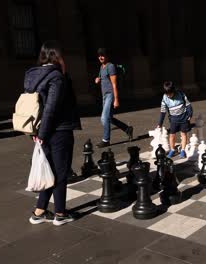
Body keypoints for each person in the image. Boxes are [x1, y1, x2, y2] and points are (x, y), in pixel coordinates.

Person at [25, 40, 82, 226]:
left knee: (49, 171)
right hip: (58, 130)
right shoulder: (56, 77)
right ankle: (60, 213)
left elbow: (31, 107)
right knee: (60, 172)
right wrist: (42, 134)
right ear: (56, 56)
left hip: (41, 130)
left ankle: (39, 211)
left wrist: (36, 132)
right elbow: (51, 108)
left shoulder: (33, 75)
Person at [94, 48, 133, 148]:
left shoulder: (110, 66)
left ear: (106, 56)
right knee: (109, 118)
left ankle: (106, 140)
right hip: (104, 95)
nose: (100, 57)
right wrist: (97, 79)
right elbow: (100, 78)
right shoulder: (101, 67)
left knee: (104, 118)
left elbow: (114, 84)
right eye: (99, 55)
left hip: (110, 95)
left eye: (102, 55)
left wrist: (116, 99)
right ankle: (127, 129)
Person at [157, 81, 193, 158]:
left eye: (170, 94)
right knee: (172, 135)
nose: (169, 96)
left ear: (174, 91)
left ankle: (183, 150)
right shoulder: (164, 98)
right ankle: (172, 149)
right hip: (173, 119)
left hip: (183, 118)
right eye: (167, 94)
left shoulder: (181, 94)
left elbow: (188, 104)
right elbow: (163, 111)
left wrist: (190, 114)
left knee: (183, 134)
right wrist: (160, 124)